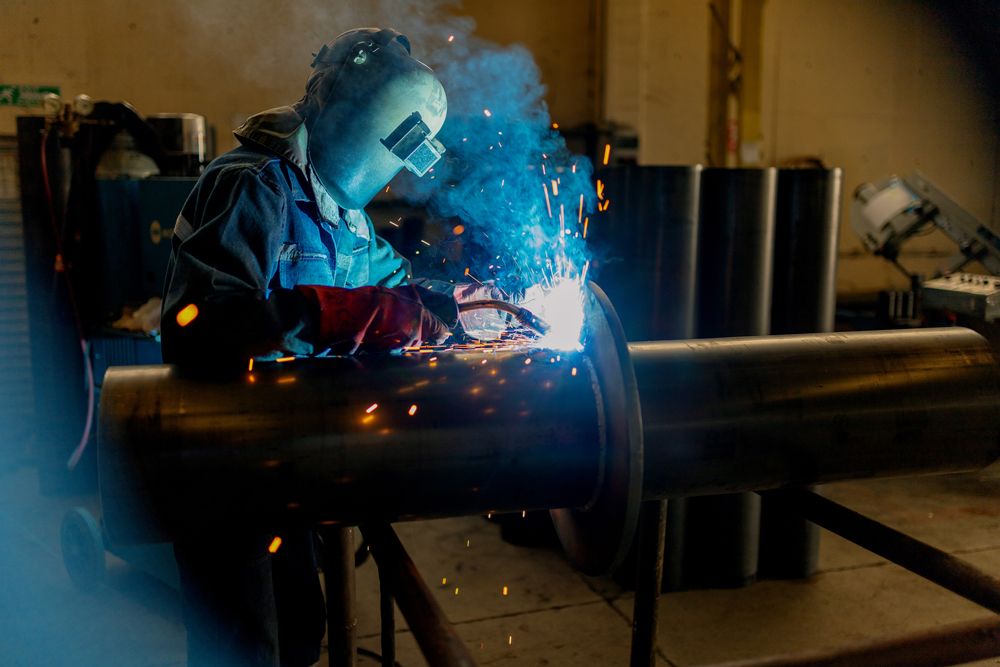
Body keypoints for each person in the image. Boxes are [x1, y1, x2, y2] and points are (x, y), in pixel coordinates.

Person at [160, 28, 492, 667]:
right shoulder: (253, 185)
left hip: (291, 464)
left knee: (301, 633)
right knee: (243, 648)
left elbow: (395, 283)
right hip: (223, 465)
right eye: (399, 156)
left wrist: (463, 306)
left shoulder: (343, 214)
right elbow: (199, 324)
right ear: (381, 134)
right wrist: (344, 313)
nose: (396, 174)